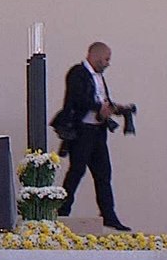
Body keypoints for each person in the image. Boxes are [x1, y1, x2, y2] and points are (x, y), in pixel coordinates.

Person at [52, 41, 133, 232]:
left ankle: (108, 215)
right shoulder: (77, 73)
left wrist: (116, 108)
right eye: (106, 59)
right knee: (76, 172)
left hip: (98, 131)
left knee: (103, 174)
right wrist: (99, 108)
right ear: (96, 57)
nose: (107, 63)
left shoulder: (98, 77)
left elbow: (100, 98)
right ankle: (63, 211)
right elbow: (78, 98)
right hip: (82, 132)